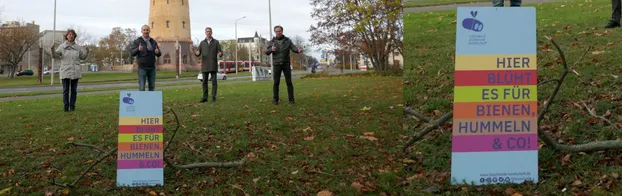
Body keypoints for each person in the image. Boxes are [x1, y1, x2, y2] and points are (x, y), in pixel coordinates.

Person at [50, 29, 89, 112]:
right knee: (65, 90)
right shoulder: (62, 47)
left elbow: (83, 57)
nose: (71, 36)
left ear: (74, 36)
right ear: (66, 36)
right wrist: (52, 49)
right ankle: (66, 107)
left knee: (74, 90)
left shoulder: (78, 47)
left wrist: (87, 51)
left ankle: (72, 106)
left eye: (72, 34)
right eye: (69, 34)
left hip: (75, 71)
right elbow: (54, 56)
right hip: (65, 71)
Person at [265, 25, 302, 105]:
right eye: (277, 31)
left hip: (286, 64)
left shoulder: (287, 41)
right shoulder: (271, 42)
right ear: (275, 32)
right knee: (276, 82)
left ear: (282, 31)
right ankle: (275, 100)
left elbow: (294, 48)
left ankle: (291, 99)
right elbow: (266, 52)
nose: (278, 32)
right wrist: (271, 49)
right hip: (277, 64)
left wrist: (298, 50)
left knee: (289, 82)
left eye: (279, 31)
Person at [194, 27, 223, 103]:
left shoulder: (216, 42)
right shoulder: (202, 43)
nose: (208, 33)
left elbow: (220, 52)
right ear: (205, 33)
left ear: (212, 32)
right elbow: (198, 52)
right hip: (205, 65)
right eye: (207, 31)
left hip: (213, 64)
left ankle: (213, 97)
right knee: (204, 82)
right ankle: (205, 97)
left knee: (214, 82)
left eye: (210, 31)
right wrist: (197, 53)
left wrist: (220, 54)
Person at [130, 25, 161, 91]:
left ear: (149, 31)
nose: (146, 31)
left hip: (152, 68)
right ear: (141, 31)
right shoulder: (137, 41)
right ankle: (142, 101)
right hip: (142, 68)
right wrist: (138, 49)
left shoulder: (153, 42)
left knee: (152, 87)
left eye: (147, 30)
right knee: (142, 87)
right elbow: (132, 53)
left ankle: (151, 101)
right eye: (144, 30)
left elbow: (159, 54)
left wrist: (157, 52)